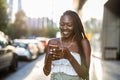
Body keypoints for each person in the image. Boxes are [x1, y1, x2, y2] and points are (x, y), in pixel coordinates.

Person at [43, 10, 91, 80]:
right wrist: (49, 59)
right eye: (62, 24)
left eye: (69, 25)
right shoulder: (52, 43)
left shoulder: (83, 43)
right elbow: (46, 73)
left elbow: (85, 74)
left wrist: (69, 57)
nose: (64, 28)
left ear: (75, 26)